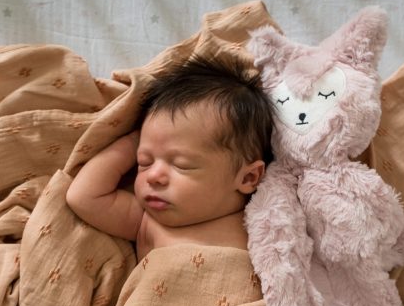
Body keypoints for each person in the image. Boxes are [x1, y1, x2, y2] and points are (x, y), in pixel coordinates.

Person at [66, 54, 273, 260]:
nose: (153, 176)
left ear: (248, 178)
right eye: (144, 163)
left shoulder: (264, 223)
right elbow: (83, 196)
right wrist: (135, 140)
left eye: (181, 165)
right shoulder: (147, 222)